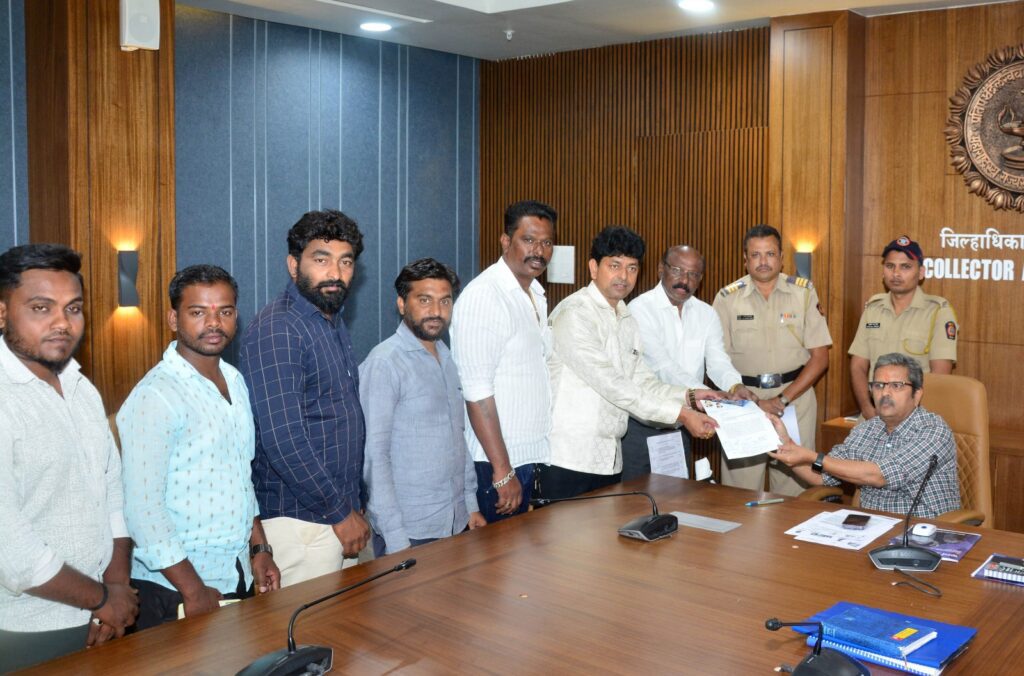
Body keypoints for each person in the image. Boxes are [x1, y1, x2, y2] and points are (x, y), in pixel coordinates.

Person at [118, 265, 280, 629]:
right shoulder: (155, 396)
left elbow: (241, 478)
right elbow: (142, 510)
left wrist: (259, 549)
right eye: (198, 312)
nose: (214, 323)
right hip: (174, 589)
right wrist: (193, 590)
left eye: (225, 311)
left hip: (234, 572)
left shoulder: (234, 381)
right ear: (173, 319)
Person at [0, 244, 138, 671]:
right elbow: (12, 551)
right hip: (25, 628)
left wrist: (116, 585)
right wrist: (102, 599)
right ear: (2, 313)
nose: (62, 322)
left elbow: (112, 494)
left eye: (73, 308)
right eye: (41, 308)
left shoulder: (82, 388)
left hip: (101, 615)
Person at [239, 210, 370, 587]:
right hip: (300, 522)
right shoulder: (279, 329)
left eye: (345, 262)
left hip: (334, 514)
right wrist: (340, 511)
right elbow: (284, 440)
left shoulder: (329, 321)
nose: (335, 273)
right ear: (294, 265)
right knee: (306, 625)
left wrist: (353, 503)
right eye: (321, 259)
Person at [539, 227, 719, 500]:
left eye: (632, 268)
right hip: (568, 458)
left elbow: (641, 380)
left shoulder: (626, 319)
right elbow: (615, 386)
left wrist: (691, 396)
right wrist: (682, 415)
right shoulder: (575, 314)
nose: (623, 276)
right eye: (614, 265)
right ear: (593, 268)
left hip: (610, 460)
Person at [361, 259, 485, 556]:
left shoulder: (447, 358)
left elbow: (458, 438)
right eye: (424, 300)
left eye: (445, 301)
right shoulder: (385, 362)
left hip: (455, 521)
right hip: (409, 531)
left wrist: (470, 506)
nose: (436, 311)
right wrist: (395, 537)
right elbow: (374, 457)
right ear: (402, 304)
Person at [450, 200, 556, 522]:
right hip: (493, 464)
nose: (538, 250)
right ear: (506, 241)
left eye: (547, 242)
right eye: (529, 240)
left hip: (524, 458)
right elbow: (476, 392)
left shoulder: (534, 294)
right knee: (495, 555)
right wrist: (502, 471)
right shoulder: (485, 295)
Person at [712, 224, 832, 495]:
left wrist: (782, 400)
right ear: (745, 260)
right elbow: (717, 360)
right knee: (739, 490)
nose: (763, 261)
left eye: (770, 254)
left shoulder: (803, 293)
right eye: (755, 255)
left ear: (781, 258)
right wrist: (755, 401)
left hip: (795, 400)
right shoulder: (727, 298)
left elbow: (820, 358)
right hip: (743, 402)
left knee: (795, 488)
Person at [769, 353, 960, 517]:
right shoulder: (866, 429)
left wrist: (812, 456)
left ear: (917, 395)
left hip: (924, 531)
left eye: (896, 385)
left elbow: (879, 475)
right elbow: (821, 476)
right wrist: (785, 446)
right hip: (870, 528)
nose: (885, 393)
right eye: (878, 385)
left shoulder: (933, 430)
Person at [623, 244, 756, 481]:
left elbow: (718, 361)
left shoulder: (706, 314)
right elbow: (664, 367)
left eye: (693, 274)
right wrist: (714, 397)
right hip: (641, 428)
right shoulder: (640, 309)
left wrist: (735, 386)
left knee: (675, 498)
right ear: (661, 269)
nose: (684, 280)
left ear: (701, 279)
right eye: (677, 270)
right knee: (633, 499)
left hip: (681, 427)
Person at [848, 236, 958, 419]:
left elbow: (940, 377)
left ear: (921, 272)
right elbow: (858, 365)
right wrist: (867, 408)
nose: (896, 273)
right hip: (873, 415)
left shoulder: (938, 313)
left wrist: (909, 420)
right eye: (890, 266)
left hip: (916, 419)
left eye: (905, 267)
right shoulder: (873, 309)